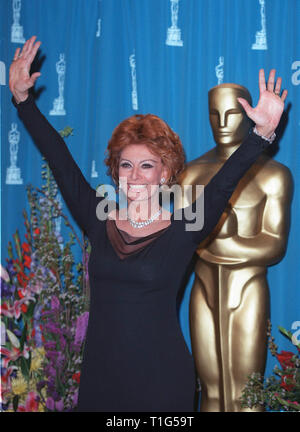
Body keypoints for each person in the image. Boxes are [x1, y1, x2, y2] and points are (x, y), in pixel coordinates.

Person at [9, 36, 287, 412]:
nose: (135, 176)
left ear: (166, 173)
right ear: (115, 171)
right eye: (126, 165)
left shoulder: (184, 226)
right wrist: (23, 102)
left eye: (146, 166)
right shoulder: (98, 217)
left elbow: (223, 183)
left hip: (161, 381)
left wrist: (260, 135)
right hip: (100, 380)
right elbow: (59, 159)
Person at [178, 83, 293, 411]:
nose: (222, 123)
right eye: (214, 115)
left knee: (247, 394)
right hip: (203, 288)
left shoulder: (274, 176)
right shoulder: (190, 175)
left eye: (231, 114)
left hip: (248, 289)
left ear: (246, 116)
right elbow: (183, 237)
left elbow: (274, 245)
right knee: (210, 389)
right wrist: (214, 244)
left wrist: (218, 244)